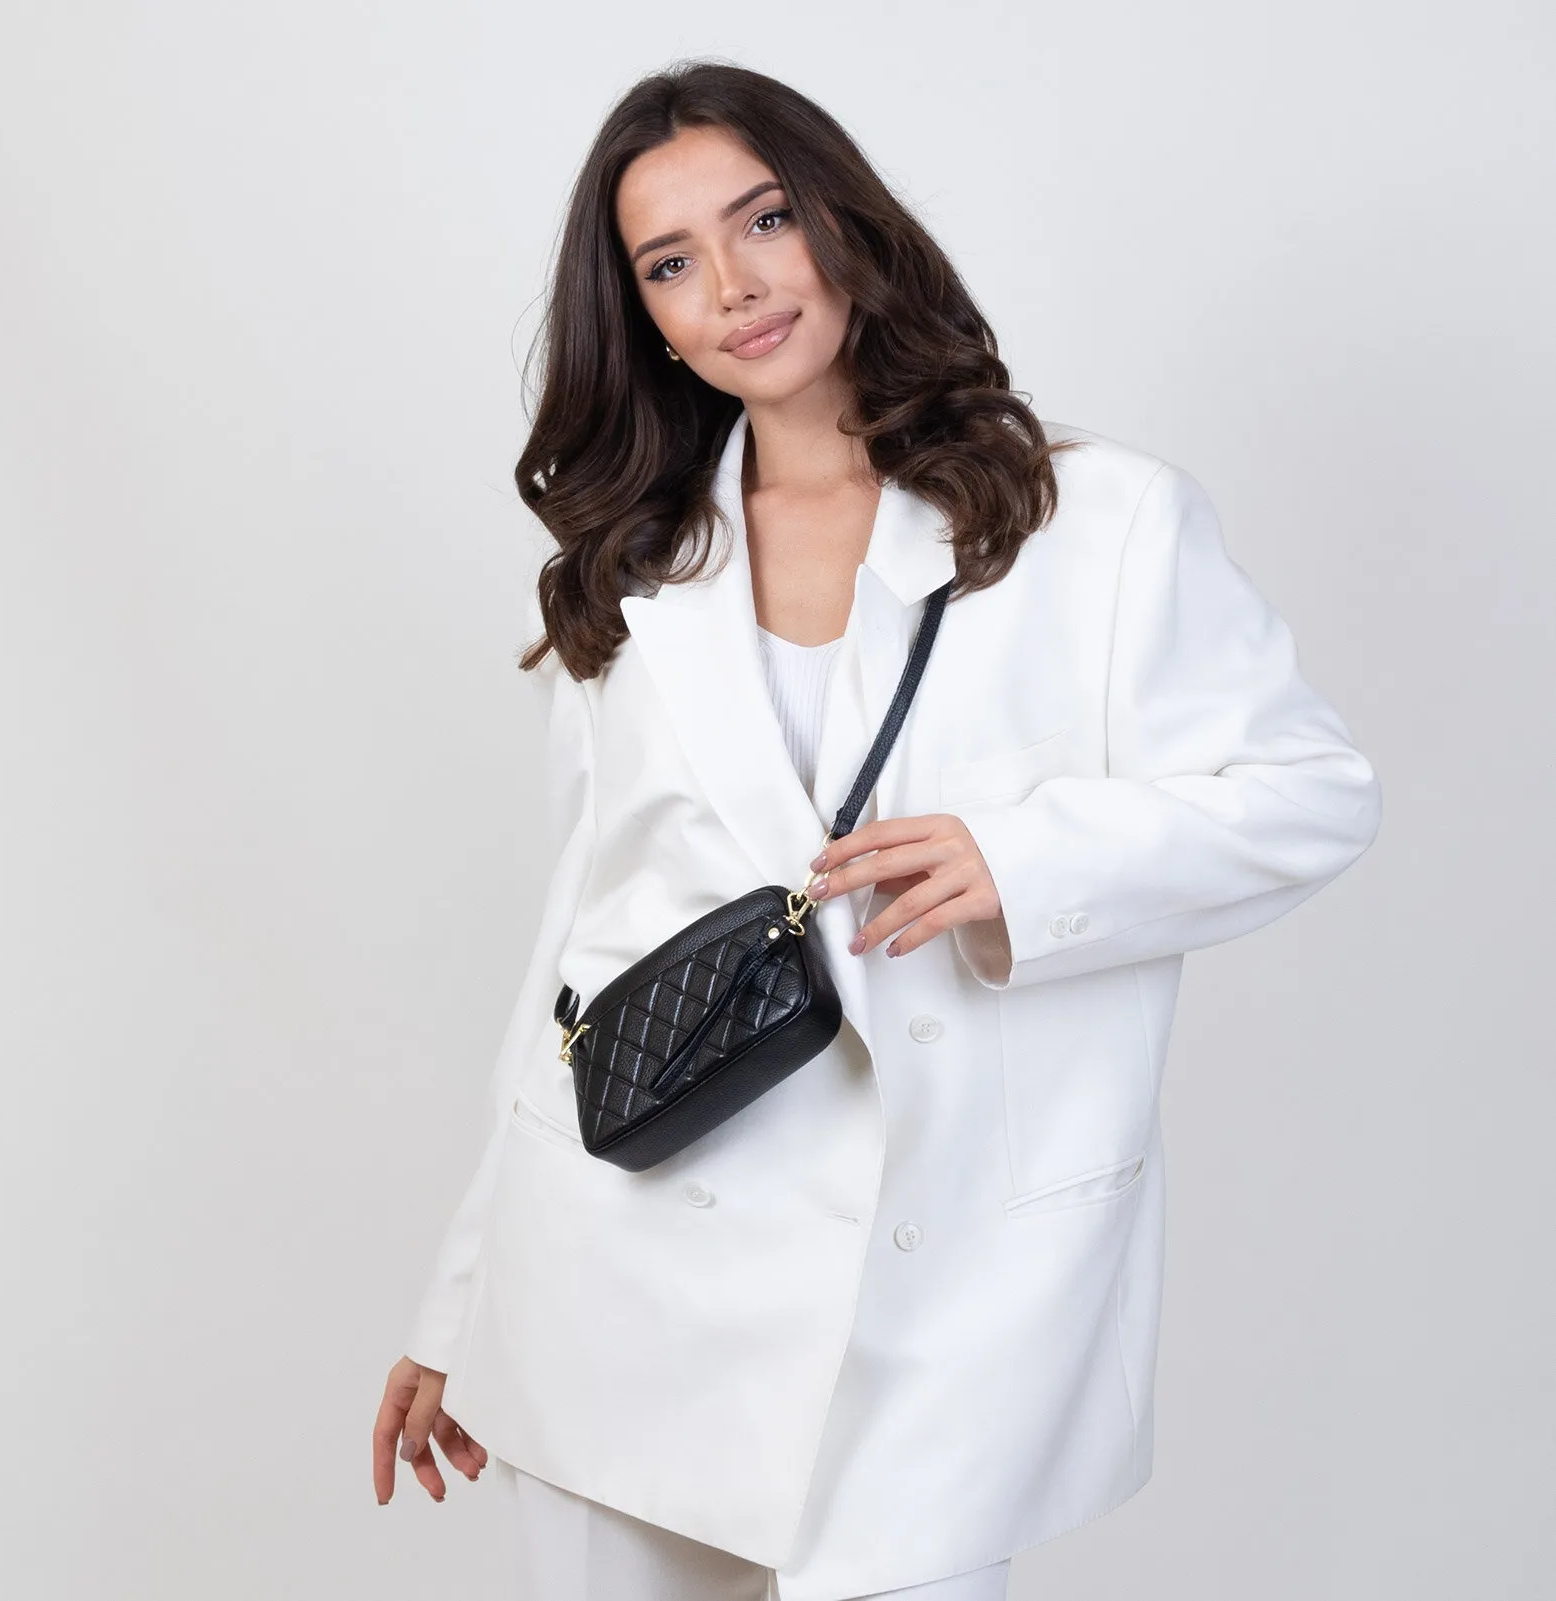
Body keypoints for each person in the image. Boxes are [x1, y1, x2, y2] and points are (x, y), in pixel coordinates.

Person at [370, 60, 1383, 1601]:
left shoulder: (1096, 523)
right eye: (670, 262)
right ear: (644, 317)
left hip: (926, 1296)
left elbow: (1311, 792)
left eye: (764, 219)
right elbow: (579, 941)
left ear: (842, 220)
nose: (734, 284)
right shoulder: (634, 571)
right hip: (618, 1287)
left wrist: (1022, 863)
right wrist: (459, 1307)